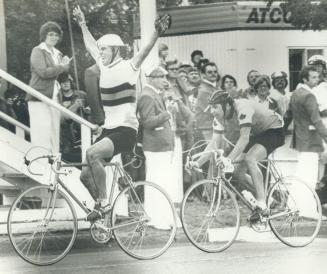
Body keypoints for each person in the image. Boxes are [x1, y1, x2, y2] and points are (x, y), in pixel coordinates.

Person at [73, 6, 171, 220]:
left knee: (92, 154)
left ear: (115, 50)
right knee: (84, 175)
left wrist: (156, 33)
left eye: (105, 50)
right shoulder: (103, 65)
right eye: (101, 51)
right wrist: (82, 23)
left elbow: (145, 51)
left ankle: (104, 204)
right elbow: (90, 45)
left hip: (126, 131)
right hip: (109, 129)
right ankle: (105, 214)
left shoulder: (130, 66)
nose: (101, 54)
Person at [189, 91, 285, 215]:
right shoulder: (219, 118)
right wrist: (198, 162)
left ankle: (262, 203)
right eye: (211, 107)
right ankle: (269, 200)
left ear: (227, 106)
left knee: (251, 158)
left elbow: (244, 138)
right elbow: (214, 144)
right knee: (237, 172)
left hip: (274, 129)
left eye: (215, 107)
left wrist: (228, 159)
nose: (212, 111)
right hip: (257, 133)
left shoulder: (243, 108)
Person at [137, 66, 175, 228]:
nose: (164, 80)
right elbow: (148, 122)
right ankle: (157, 218)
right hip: (155, 147)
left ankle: (162, 217)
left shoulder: (152, 94)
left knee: (160, 182)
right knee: (157, 182)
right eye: (160, 77)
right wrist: (168, 113)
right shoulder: (147, 95)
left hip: (160, 146)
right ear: (150, 78)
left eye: (164, 76)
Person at [28, 21, 71, 153]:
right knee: (41, 132)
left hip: (54, 96)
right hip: (39, 97)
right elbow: (43, 72)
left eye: (57, 35)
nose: (54, 37)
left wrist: (66, 66)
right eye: (51, 34)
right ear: (44, 35)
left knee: (54, 131)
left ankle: (53, 164)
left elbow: (61, 74)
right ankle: (40, 165)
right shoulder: (38, 50)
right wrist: (61, 67)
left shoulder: (57, 53)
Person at [290, 65, 327, 190]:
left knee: (302, 175)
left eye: (317, 77)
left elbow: (289, 114)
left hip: (301, 139)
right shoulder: (309, 96)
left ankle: (297, 205)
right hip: (311, 140)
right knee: (309, 178)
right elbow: (317, 121)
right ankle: (307, 207)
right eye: (313, 77)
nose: (317, 79)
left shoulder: (296, 93)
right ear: (305, 79)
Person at [58, 72, 90, 163]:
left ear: (71, 82)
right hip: (66, 140)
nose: (65, 84)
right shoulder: (57, 98)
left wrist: (88, 109)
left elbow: (92, 108)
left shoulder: (81, 94)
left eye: (67, 81)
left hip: (83, 135)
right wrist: (75, 106)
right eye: (62, 82)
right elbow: (62, 119)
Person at [194, 62, 221, 142]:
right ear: (203, 74)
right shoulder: (203, 90)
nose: (213, 74)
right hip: (207, 128)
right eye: (209, 72)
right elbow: (212, 111)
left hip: (216, 127)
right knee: (212, 153)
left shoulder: (216, 88)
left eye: (215, 72)